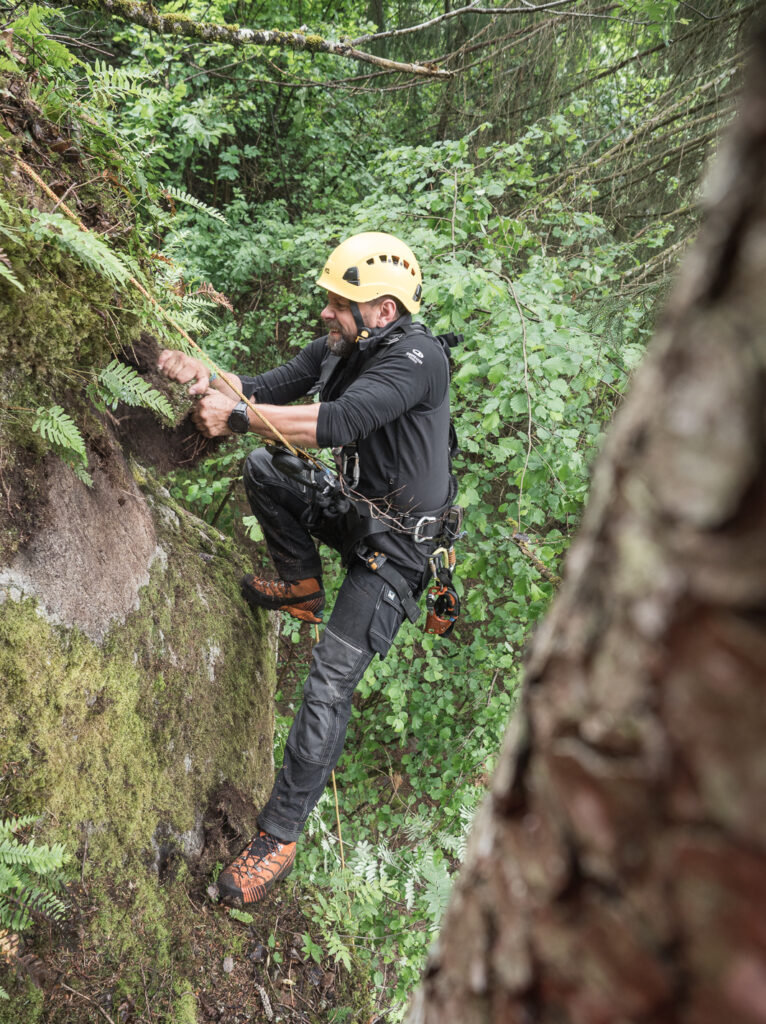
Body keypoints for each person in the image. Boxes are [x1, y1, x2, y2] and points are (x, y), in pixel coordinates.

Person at [158, 232, 457, 906]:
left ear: (381, 310)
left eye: (337, 302)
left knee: (327, 682)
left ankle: (279, 838)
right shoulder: (341, 346)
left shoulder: (418, 359)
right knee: (265, 464)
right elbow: (263, 391)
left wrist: (237, 417)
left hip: (400, 551)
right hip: (358, 514)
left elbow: (341, 420)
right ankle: (299, 581)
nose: (324, 313)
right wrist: (205, 378)